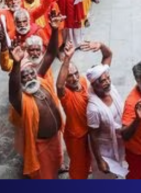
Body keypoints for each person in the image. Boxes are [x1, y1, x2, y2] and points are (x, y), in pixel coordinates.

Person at [7, 15, 65, 179]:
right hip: (41, 145)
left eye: (31, 73)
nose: (29, 77)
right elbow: (12, 92)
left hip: (55, 138)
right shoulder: (21, 100)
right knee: (45, 175)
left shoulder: (40, 78)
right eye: (24, 77)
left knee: (57, 162)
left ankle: (59, 167)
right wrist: (17, 64)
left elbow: (51, 53)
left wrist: (54, 30)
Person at [57, 40, 113, 179]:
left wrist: (101, 45)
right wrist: (67, 58)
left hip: (92, 132)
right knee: (79, 168)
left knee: (92, 161)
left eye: (75, 73)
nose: (74, 78)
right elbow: (58, 86)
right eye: (69, 76)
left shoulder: (83, 80)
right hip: (77, 137)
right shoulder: (66, 94)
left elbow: (107, 58)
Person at [86, 50, 126, 179]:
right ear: (94, 84)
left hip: (117, 140)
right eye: (102, 81)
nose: (107, 82)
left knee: (116, 171)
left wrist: (101, 46)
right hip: (104, 149)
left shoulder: (110, 89)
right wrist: (99, 161)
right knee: (104, 177)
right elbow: (93, 135)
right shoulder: (93, 108)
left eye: (108, 78)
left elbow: (109, 55)